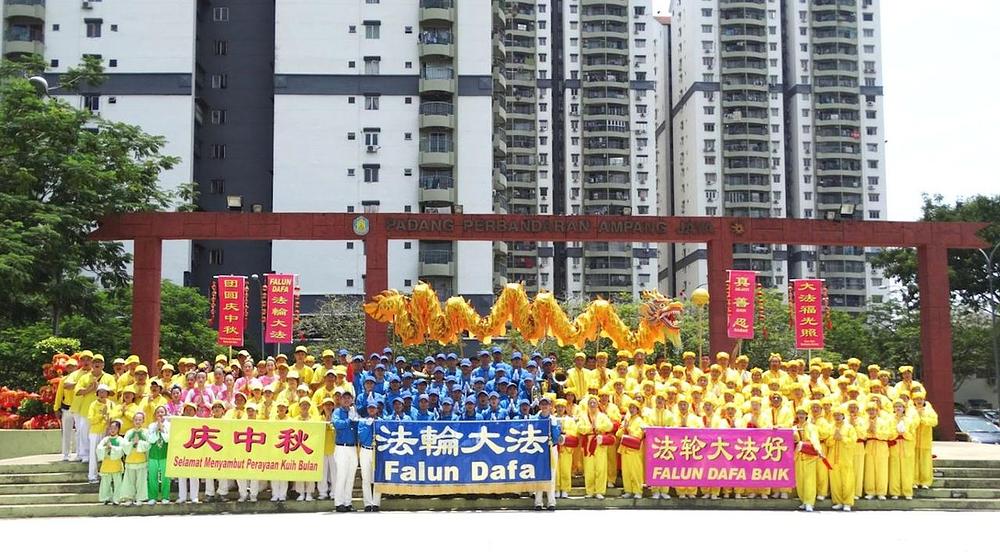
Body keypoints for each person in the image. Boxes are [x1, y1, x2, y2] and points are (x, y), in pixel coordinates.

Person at [576, 395, 613, 499]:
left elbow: (609, 426)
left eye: (594, 403)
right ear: (587, 405)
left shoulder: (602, 416)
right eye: (590, 403)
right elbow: (579, 428)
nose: (592, 405)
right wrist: (590, 428)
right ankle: (590, 491)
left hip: (599, 443)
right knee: (589, 469)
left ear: (597, 405)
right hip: (588, 444)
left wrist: (598, 428)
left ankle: (599, 491)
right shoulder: (583, 416)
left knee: (601, 468)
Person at [332, 390, 359, 512]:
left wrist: (356, 419)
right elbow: (338, 424)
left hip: (352, 447)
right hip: (341, 447)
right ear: (341, 400)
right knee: (341, 476)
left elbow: (357, 428)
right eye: (344, 398)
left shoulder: (353, 411)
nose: (347, 400)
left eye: (349, 398)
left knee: (350, 476)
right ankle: (339, 503)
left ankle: (348, 502)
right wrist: (349, 419)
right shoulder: (338, 411)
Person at [792, 403, 823, 512]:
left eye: (803, 413)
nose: (801, 415)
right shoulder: (794, 428)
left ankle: (809, 502)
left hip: (809, 454)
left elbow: (814, 439)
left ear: (806, 415)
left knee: (809, 479)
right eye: (799, 413)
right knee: (800, 479)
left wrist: (818, 450)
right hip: (798, 455)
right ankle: (803, 500)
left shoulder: (812, 427)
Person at [533, 396, 561, 510]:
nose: (544, 406)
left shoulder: (554, 419)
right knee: (539, 475)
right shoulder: (534, 419)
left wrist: (554, 427)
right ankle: (538, 502)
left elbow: (556, 438)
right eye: (542, 404)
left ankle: (551, 501)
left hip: (550, 449)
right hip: (538, 450)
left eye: (547, 404)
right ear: (539, 406)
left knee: (551, 475)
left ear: (550, 406)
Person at [827, 406, 857, 511]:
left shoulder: (849, 427)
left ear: (843, 416)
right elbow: (827, 442)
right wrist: (833, 439)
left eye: (839, 415)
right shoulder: (830, 427)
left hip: (845, 458)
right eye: (835, 415)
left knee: (847, 480)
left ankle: (847, 502)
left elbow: (853, 442)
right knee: (835, 482)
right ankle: (838, 501)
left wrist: (842, 438)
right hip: (833, 458)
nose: (837, 417)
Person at [119, 411, 150, 506]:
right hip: (130, 460)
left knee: (141, 481)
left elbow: (149, 444)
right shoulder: (129, 432)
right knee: (129, 481)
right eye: (136, 419)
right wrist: (132, 443)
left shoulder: (146, 432)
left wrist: (139, 443)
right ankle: (129, 497)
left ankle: (140, 498)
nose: (138, 421)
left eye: (140, 420)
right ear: (133, 420)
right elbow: (124, 445)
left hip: (141, 459)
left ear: (143, 421)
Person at [617, 399, 646, 500]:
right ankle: (628, 490)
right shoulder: (627, 420)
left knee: (635, 471)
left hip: (635, 450)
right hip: (625, 449)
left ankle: (638, 490)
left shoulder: (640, 421)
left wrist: (627, 429)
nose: (632, 409)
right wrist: (624, 428)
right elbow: (618, 434)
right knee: (626, 471)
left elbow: (638, 435)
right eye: (630, 408)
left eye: (634, 408)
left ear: (638, 410)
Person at [888, 399, 917, 500]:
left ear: (904, 408)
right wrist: (896, 433)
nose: (898, 408)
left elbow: (912, 435)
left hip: (906, 447)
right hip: (895, 447)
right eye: (896, 406)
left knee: (907, 471)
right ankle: (895, 492)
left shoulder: (909, 420)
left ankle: (907, 492)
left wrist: (904, 433)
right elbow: (888, 434)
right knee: (894, 471)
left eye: (900, 406)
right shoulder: (890, 420)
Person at [357, 399, 381, 512]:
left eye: (373, 408)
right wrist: (368, 426)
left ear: (377, 409)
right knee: (366, 478)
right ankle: (367, 503)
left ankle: (376, 503)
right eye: (370, 408)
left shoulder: (381, 421)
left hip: (377, 451)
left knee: (377, 478)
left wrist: (376, 424)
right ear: (367, 409)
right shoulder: (362, 422)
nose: (371, 410)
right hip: (366, 450)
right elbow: (362, 438)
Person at [912, 391, 938, 489]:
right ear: (913, 400)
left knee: (925, 462)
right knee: (914, 462)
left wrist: (922, 418)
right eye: (917, 399)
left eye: (921, 399)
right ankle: (914, 481)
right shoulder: (911, 410)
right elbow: (909, 423)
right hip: (913, 440)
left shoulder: (929, 410)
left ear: (924, 400)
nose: (919, 401)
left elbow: (934, 421)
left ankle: (925, 482)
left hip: (925, 440)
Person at [145, 406, 171, 504]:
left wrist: (162, 430)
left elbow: (168, 439)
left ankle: (165, 496)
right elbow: (150, 440)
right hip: (153, 454)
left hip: (165, 454)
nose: (160, 414)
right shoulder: (151, 425)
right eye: (158, 412)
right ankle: (152, 497)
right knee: (152, 476)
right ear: (155, 414)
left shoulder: (169, 425)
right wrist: (157, 430)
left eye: (162, 412)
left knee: (165, 477)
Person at [96, 420, 125, 505]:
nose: (112, 430)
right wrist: (105, 448)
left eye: (115, 428)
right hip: (106, 464)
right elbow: (99, 448)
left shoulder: (120, 439)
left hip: (116, 465)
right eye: (111, 428)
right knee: (105, 483)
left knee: (118, 483)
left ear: (118, 429)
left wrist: (112, 447)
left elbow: (121, 450)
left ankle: (117, 498)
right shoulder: (105, 439)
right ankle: (106, 497)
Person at [316, 397, 337, 501]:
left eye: (330, 405)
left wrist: (330, 419)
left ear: (333, 406)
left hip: (334, 449)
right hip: (322, 449)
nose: (328, 407)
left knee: (334, 473)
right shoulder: (318, 419)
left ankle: (334, 492)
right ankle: (323, 492)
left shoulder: (336, 418)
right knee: (322, 473)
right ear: (322, 406)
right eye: (326, 405)